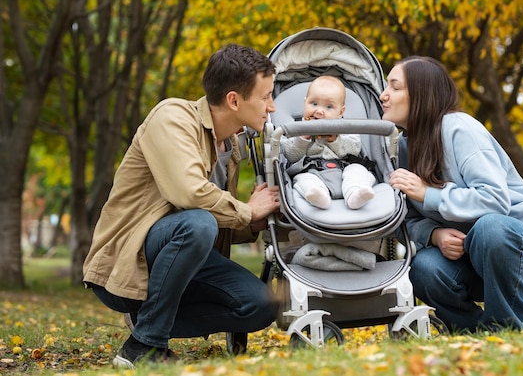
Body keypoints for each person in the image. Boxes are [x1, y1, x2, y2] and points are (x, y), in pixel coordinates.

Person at [82, 44, 281, 368]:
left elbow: (219, 219)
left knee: (261, 304)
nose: (271, 107)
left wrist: (252, 222)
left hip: (185, 261)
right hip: (130, 261)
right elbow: (189, 195)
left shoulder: (230, 146)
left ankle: (148, 323)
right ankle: (145, 345)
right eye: (265, 96)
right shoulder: (171, 117)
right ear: (234, 100)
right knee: (198, 223)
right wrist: (247, 211)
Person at [380, 56, 523, 332]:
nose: (383, 95)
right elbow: (405, 220)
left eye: (394, 87)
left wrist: (429, 193)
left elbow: (494, 199)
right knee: (422, 266)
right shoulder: (400, 150)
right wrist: (435, 235)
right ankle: (474, 332)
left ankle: (510, 326)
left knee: (490, 227)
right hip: (471, 259)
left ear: (422, 92)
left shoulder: (460, 128)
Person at [281, 75, 376, 209]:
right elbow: (290, 155)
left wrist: (335, 140)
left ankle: (355, 194)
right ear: (305, 102)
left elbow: (355, 149)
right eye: (313, 104)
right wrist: (302, 138)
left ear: (340, 112)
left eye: (329, 107)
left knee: (358, 170)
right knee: (303, 179)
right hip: (312, 171)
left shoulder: (346, 128)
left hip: (344, 169)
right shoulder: (295, 129)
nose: (319, 111)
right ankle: (319, 197)